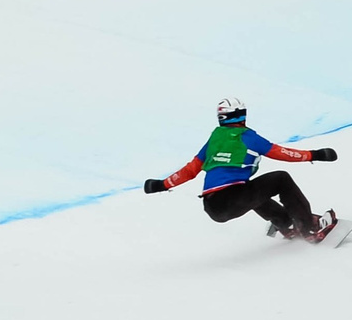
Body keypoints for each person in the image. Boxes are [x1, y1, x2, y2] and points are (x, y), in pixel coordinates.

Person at [143, 97, 336, 239]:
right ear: (242, 115)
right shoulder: (247, 137)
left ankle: (285, 224)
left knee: (249, 189)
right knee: (280, 179)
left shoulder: (215, 140)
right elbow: (280, 153)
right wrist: (315, 154)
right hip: (231, 199)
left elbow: (190, 170)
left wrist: (161, 184)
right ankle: (307, 226)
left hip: (212, 207)